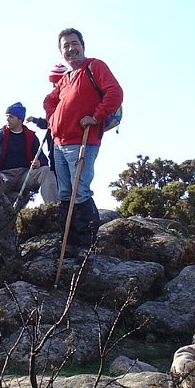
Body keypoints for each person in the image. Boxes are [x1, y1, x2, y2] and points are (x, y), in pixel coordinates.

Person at [43, 28, 123, 257]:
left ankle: (86, 245)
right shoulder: (65, 79)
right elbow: (48, 100)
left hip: (83, 141)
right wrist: (53, 119)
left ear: (83, 45)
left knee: (80, 191)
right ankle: (68, 243)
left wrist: (96, 117)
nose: (71, 49)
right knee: (65, 193)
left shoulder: (94, 67)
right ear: (61, 52)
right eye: (65, 46)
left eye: (74, 43)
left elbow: (115, 92)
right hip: (59, 143)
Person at [0, 102, 56, 206]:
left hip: (25, 175)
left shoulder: (31, 137)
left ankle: (52, 207)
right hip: (4, 176)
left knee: (46, 171)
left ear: (20, 119)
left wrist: (39, 163)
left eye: (11, 117)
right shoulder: (0, 136)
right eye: (7, 116)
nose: (7, 119)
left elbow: (42, 159)